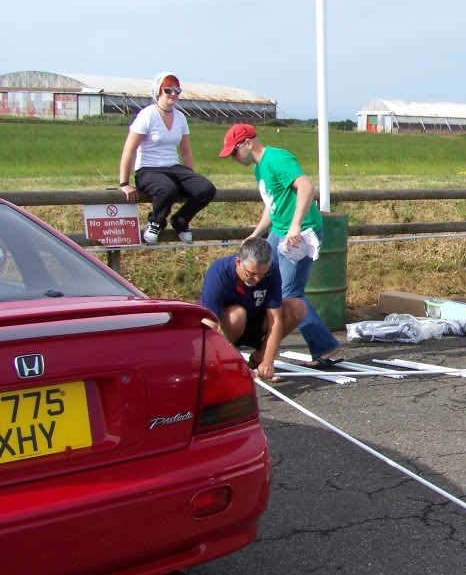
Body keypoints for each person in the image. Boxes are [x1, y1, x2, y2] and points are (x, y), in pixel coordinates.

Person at [220, 123, 345, 367]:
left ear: (248, 143)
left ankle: (325, 346)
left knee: (290, 293)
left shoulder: (276, 158)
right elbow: (273, 204)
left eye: (233, 152)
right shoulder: (259, 169)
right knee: (263, 277)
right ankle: (261, 339)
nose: (233, 158)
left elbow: (306, 186)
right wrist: (257, 233)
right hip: (279, 232)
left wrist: (296, 225)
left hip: (300, 233)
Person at [118, 72, 217, 244]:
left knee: (206, 188)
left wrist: (189, 178)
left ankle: (181, 221)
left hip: (173, 167)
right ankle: (156, 222)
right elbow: (129, 150)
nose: (173, 94)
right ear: (158, 92)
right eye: (168, 90)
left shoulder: (180, 117)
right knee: (167, 189)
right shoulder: (147, 115)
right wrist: (124, 183)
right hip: (148, 169)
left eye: (177, 90)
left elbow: (186, 151)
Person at [199, 237, 307, 383]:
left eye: (262, 275)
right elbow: (210, 324)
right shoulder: (219, 273)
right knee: (237, 315)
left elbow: (275, 319)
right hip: (229, 328)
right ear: (239, 262)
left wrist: (268, 361)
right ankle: (222, 364)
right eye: (252, 274)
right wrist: (204, 363)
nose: (257, 280)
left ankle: (258, 361)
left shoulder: (271, 270)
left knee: (297, 308)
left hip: (255, 320)